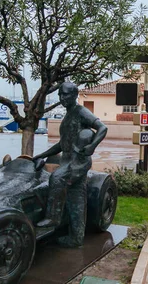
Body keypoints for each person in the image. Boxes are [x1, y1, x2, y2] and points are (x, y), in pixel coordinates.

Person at [33, 81, 108, 247]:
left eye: (65, 94)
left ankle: (53, 217)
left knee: (57, 178)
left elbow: (102, 128)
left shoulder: (81, 112)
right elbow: (62, 144)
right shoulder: (68, 116)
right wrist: (42, 155)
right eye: (60, 94)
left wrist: (91, 146)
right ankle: (76, 238)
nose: (62, 98)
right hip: (67, 160)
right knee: (77, 199)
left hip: (77, 162)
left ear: (75, 95)